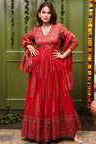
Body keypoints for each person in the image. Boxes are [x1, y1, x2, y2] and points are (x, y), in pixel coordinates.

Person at [21, 2, 83, 144]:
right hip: (38, 69)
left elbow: (74, 40)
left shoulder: (58, 27)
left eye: (48, 12)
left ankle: (72, 133)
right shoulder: (35, 30)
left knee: (62, 98)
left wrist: (63, 55)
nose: (46, 15)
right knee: (39, 97)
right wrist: (30, 46)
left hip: (55, 68)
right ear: (39, 14)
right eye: (43, 12)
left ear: (52, 14)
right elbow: (25, 39)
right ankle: (39, 133)